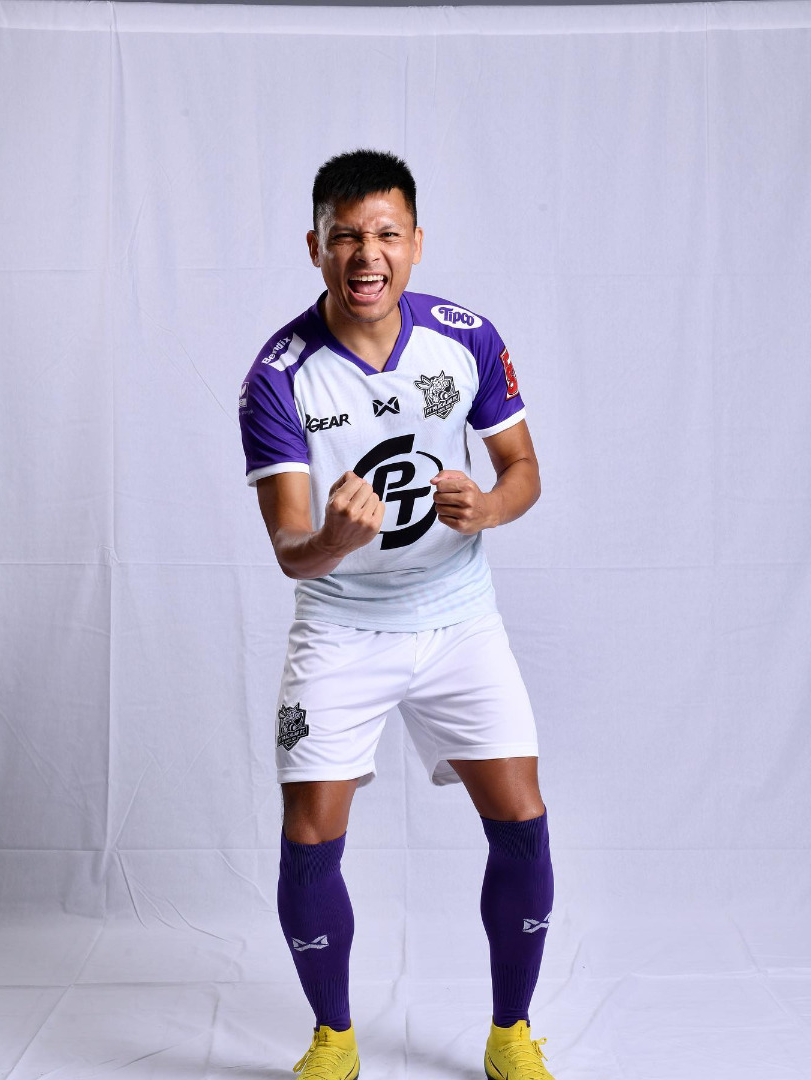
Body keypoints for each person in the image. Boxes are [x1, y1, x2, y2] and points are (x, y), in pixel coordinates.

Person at [239, 149, 556, 1080]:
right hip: (341, 627)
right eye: (345, 237)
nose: (366, 255)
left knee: (523, 821)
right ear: (315, 248)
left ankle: (510, 1034)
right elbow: (289, 548)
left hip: (459, 618)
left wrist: (487, 507)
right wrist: (334, 538)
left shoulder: (465, 338)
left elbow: (523, 469)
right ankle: (334, 1037)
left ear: (416, 243)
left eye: (385, 234)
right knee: (309, 836)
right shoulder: (279, 376)